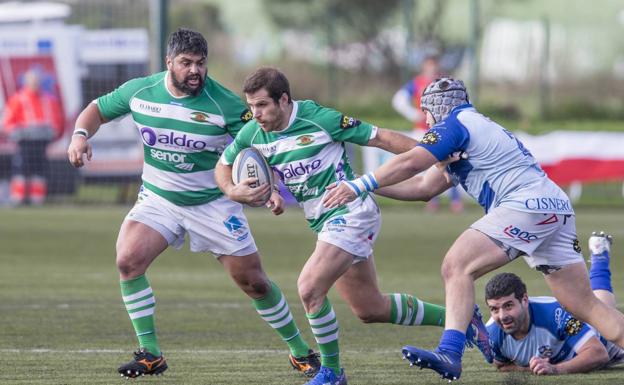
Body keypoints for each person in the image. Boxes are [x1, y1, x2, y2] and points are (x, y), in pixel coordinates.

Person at [323, 77, 624, 381]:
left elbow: (413, 162)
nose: (425, 121)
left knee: (457, 265)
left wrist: (360, 183)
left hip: (525, 205)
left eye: (426, 113)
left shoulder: (454, 124)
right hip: (554, 206)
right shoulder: (474, 126)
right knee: (587, 306)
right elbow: (424, 186)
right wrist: (365, 188)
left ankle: (450, 353)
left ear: (436, 108)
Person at [66, 28, 319, 379]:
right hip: (159, 199)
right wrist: (80, 136)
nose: (195, 71)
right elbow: (96, 110)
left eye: (201, 63)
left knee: (254, 282)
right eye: (186, 63)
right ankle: (150, 353)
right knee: (128, 260)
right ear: (169, 62)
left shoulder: (227, 105)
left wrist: (271, 187)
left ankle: (299, 351)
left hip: (213, 205)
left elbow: (262, 145)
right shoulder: (140, 92)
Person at [215, 67, 491, 385]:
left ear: (284, 99)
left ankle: (331, 373)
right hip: (323, 222)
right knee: (369, 308)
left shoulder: (321, 118)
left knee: (309, 288)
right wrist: (246, 191)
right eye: (251, 106)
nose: (256, 114)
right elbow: (225, 165)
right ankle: (461, 319)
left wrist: (436, 152)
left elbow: (382, 137)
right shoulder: (253, 133)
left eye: (262, 105)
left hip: (352, 211)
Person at [485, 232, 624, 375]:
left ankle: (599, 256)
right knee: (600, 300)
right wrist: (532, 369)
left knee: (602, 308)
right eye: (494, 309)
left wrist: (555, 369)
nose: (502, 316)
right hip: (572, 355)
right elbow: (502, 366)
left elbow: (598, 353)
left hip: (603, 342)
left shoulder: (556, 314)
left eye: (508, 306)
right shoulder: (491, 334)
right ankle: (599, 253)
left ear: (524, 300)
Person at [391, 56, 463, 213]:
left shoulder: (445, 82)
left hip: (443, 130)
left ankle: (455, 200)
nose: (432, 70)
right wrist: (414, 114)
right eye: (429, 66)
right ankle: (433, 199)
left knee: (450, 163)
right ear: (424, 67)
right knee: (429, 163)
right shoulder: (417, 82)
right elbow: (398, 99)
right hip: (423, 130)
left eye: (435, 66)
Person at [2, 68, 64, 205]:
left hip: (42, 142)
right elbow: (7, 122)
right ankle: (17, 198)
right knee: (21, 168)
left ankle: (37, 200)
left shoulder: (49, 100)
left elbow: (57, 121)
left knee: (40, 169)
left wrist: (50, 131)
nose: (35, 84)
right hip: (24, 142)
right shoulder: (18, 100)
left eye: (37, 81)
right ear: (26, 82)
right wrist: (20, 131)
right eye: (32, 81)